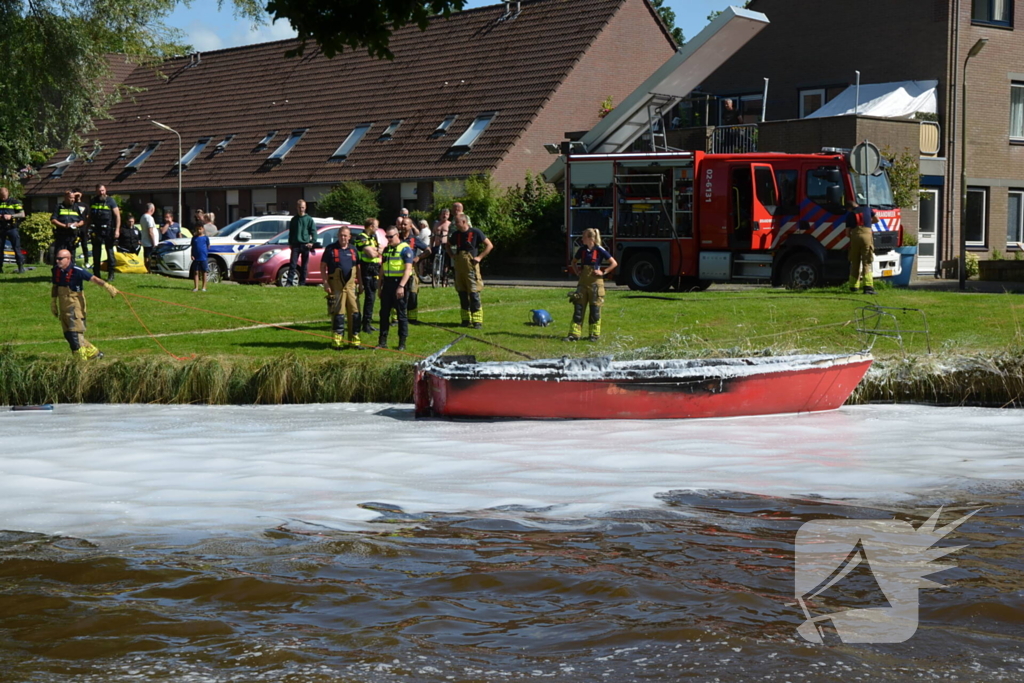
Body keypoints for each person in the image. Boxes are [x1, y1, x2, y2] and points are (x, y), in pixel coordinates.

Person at [51, 248, 118, 359]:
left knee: (75, 334)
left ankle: (81, 360)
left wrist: (107, 286)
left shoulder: (77, 270)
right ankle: (95, 353)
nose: (57, 261)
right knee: (68, 334)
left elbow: (94, 279)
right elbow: (55, 286)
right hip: (63, 304)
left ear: (68, 259)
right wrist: (53, 302)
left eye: (60, 259)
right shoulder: (56, 270)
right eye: (56, 259)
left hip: (74, 303)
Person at [565, 228, 617, 342]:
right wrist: (577, 271)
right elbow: (573, 262)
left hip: (595, 283)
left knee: (595, 309)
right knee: (578, 308)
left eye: (583, 236)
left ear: (590, 238)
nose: (581, 239)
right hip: (583, 283)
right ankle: (574, 334)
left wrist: (603, 272)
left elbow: (614, 263)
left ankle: (594, 335)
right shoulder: (582, 250)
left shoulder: (600, 250)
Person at [320, 226, 363, 350]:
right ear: (337, 236)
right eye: (341, 235)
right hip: (336, 285)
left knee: (355, 312)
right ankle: (337, 341)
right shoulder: (330, 249)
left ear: (349, 237)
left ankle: (355, 340)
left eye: (345, 235)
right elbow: (322, 266)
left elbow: (358, 268)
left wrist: (360, 283)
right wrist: (325, 283)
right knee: (338, 313)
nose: (343, 238)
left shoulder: (354, 250)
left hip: (351, 286)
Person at [448, 213, 492, 328]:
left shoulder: (476, 232)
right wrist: (452, 255)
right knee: (462, 293)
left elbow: (489, 245)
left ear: (464, 222)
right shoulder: (456, 235)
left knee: (473, 293)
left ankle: (477, 320)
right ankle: (465, 319)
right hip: (459, 267)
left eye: (457, 222)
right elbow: (447, 244)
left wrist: (479, 257)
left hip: (471, 267)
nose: (455, 225)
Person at [377, 226, 414, 351]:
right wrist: (379, 286)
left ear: (397, 235)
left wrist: (401, 286)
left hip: (399, 283)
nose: (388, 239)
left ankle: (402, 343)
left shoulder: (405, 249)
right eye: (386, 237)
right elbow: (382, 267)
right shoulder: (387, 250)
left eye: (390, 237)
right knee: (384, 313)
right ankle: (382, 341)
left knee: (401, 314)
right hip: (387, 284)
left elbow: (408, 269)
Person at [85, 184, 120, 281]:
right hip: (96, 230)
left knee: (109, 251)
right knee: (96, 252)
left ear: (106, 190)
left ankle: (111, 274)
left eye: (103, 190)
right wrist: (87, 228)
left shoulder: (110, 201)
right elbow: (89, 216)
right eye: (99, 191)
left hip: (108, 230)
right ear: (96, 191)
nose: (102, 193)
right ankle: (96, 274)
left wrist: (117, 230)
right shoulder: (93, 201)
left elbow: (117, 216)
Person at [354, 217, 382, 333]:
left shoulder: (373, 236)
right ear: (371, 226)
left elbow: (381, 250)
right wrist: (376, 250)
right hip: (365, 269)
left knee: (372, 297)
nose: (377, 228)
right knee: (369, 297)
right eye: (376, 226)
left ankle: (368, 322)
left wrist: (376, 250)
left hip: (375, 269)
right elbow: (371, 254)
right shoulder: (361, 237)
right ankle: (365, 324)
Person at [847, 201, 877, 295]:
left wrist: (854, 236)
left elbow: (847, 233)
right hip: (867, 237)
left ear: (849, 208)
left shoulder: (850, 215)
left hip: (855, 237)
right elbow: (877, 219)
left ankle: (853, 286)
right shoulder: (868, 210)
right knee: (866, 262)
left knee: (855, 262)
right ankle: (868, 287)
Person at [285, 199, 316, 286]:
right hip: (295, 245)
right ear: (296, 208)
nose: (301, 209)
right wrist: (290, 243)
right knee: (293, 264)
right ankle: (289, 282)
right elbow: (291, 232)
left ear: (305, 208)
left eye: (302, 207)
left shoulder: (309, 219)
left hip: (305, 245)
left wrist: (312, 242)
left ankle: (302, 282)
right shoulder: (294, 219)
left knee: (304, 265)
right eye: (299, 207)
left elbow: (313, 231)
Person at [0, 186, 27, 274]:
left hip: (12, 228)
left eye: (4, 196)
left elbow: (22, 214)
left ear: (7, 193)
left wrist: (11, 216)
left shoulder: (14, 202)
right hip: (1, 228)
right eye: (1, 196)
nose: (3, 198)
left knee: (16, 248)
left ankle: (20, 267)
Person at [51, 190, 84, 256]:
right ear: (65, 197)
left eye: (73, 198)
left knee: (71, 255)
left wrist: (77, 224)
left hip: (72, 235)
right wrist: (64, 225)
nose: (73, 200)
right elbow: (53, 220)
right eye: (70, 198)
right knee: (59, 254)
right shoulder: (59, 207)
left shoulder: (76, 208)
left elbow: (82, 221)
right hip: (61, 235)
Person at [72, 189, 90, 267]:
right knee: (73, 244)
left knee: (84, 245)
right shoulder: (72, 205)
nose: (77, 196)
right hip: (74, 227)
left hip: (84, 228)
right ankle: (73, 261)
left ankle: (86, 261)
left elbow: (88, 217)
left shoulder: (85, 205)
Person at [191, 225, 210, 292]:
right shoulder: (194, 238)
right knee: (196, 272)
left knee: (204, 272)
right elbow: (193, 247)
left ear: (203, 229)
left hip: (203, 257)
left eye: (200, 229)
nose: (199, 231)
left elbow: (208, 245)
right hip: (196, 258)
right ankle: (196, 287)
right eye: (197, 229)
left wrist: (205, 253)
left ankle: (204, 287)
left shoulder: (205, 238)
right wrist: (192, 255)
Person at [140, 203, 159, 267]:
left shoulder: (143, 217)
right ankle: (149, 269)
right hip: (150, 242)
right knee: (150, 257)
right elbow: (150, 231)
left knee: (146, 256)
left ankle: (147, 269)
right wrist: (153, 243)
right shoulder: (149, 218)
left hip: (145, 241)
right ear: (152, 209)